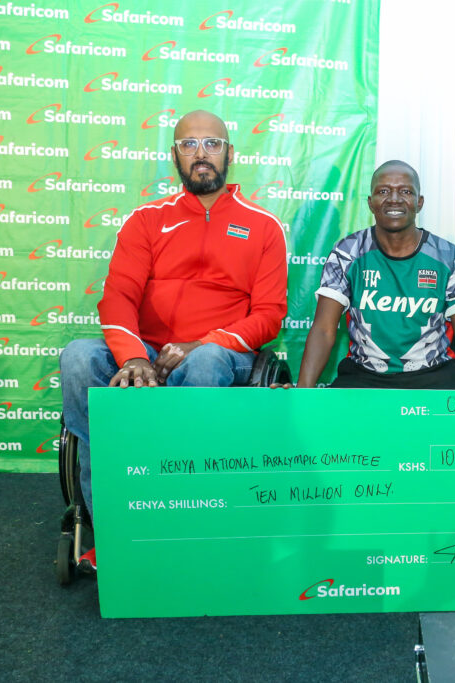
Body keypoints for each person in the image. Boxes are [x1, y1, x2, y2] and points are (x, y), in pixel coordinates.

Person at [59, 110, 288, 569]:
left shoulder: (263, 226)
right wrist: (131, 359)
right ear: (174, 156)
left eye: (212, 144)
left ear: (230, 154)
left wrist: (203, 343)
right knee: (79, 357)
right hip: (145, 350)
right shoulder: (147, 220)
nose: (201, 154)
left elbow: (268, 315)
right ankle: (114, 527)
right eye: (189, 145)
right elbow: (118, 296)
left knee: (205, 366)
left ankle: (189, 522)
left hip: (222, 354)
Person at [295, 160, 455, 390]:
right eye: (383, 191)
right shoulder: (347, 252)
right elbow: (324, 330)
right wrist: (303, 392)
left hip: (435, 375)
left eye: (406, 191)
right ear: (371, 203)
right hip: (365, 377)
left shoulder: (447, 256)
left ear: (419, 203)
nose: (395, 199)